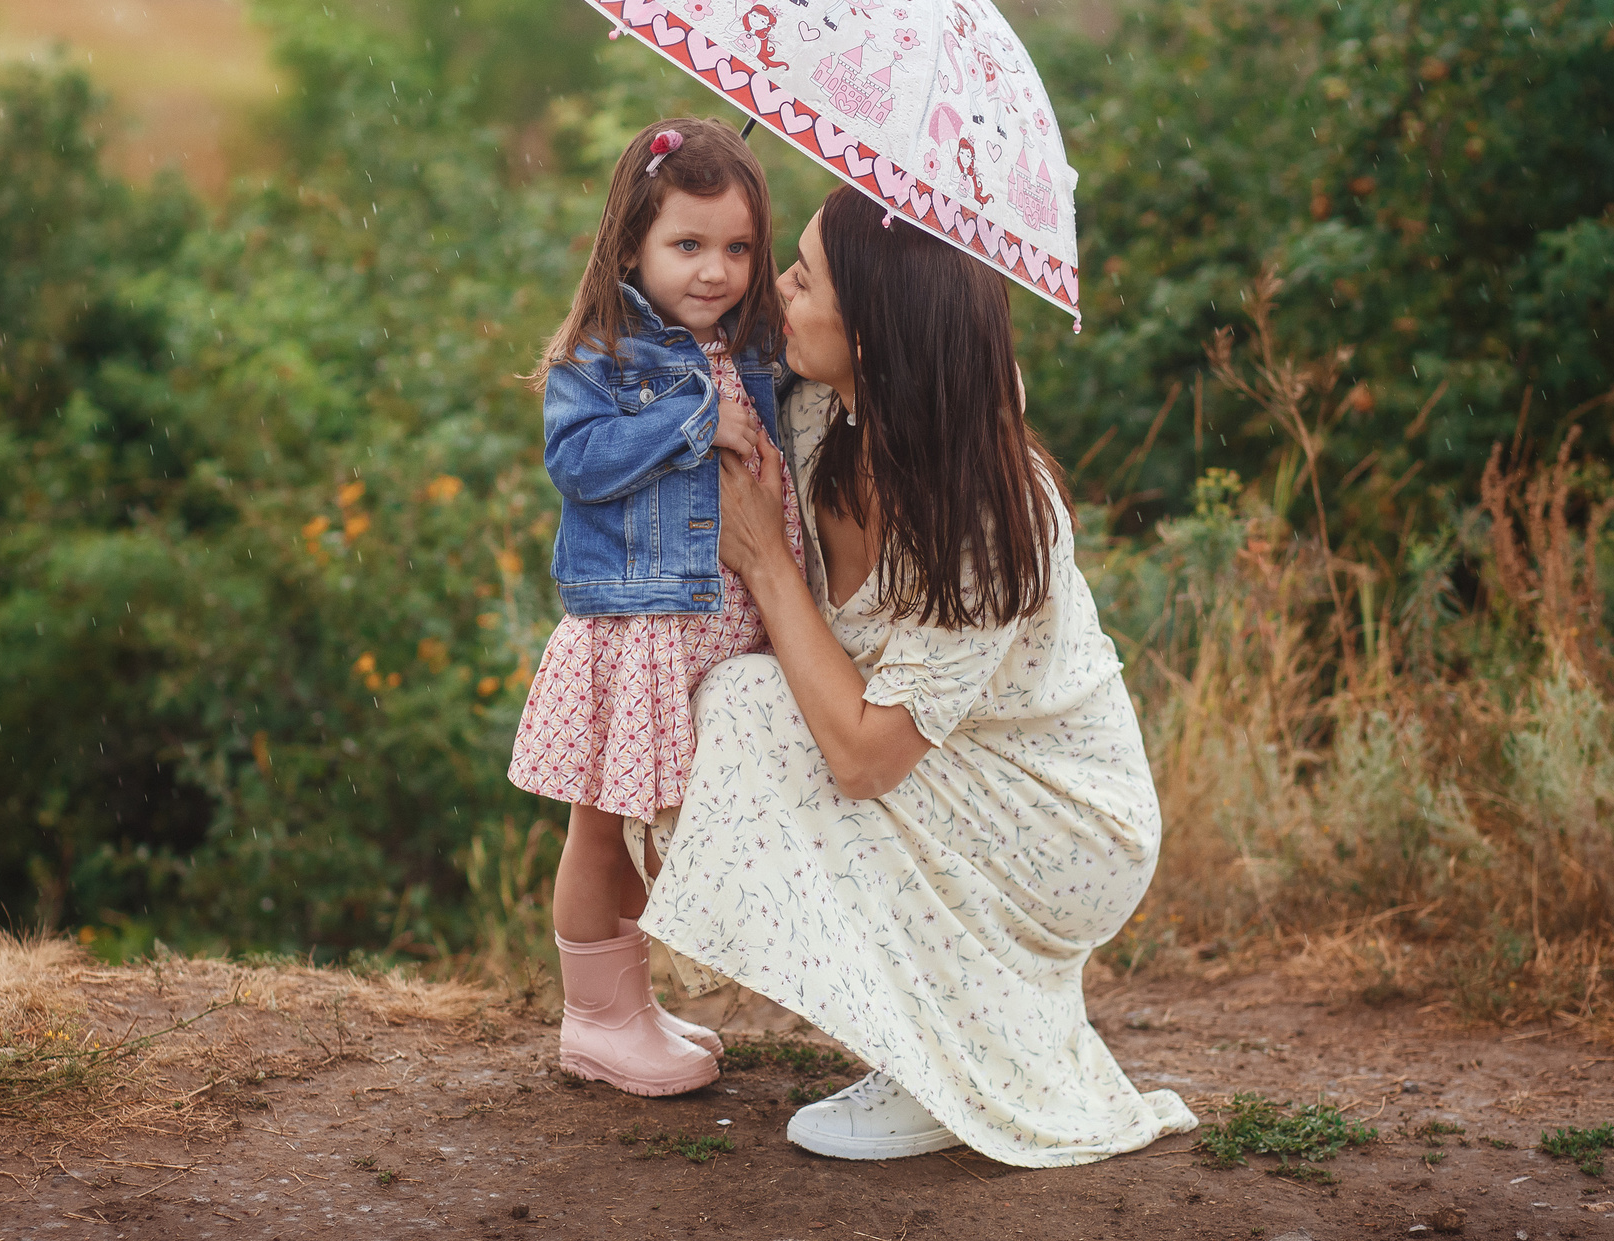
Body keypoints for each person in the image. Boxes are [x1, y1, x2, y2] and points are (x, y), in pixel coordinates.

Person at [639, 185, 1198, 1165]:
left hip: (1062, 819)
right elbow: (683, 340)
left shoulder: (985, 512)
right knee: (715, 701)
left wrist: (769, 561)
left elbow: (862, 759)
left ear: (879, 330)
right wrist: (653, 239)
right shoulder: (822, 416)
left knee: (757, 712)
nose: (777, 288)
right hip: (944, 772)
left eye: (803, 278)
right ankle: (931, 1041)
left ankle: (935, 1075)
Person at [508, 117, 807, 1097]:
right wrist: (688, 421)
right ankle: (596, 1019)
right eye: (687, 245)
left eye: (737, 248)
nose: (715, 270)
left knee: (637, 831)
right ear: (630, 243)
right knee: (600, 828)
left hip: (703, 635)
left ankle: (624, 1002)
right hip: (640, 630)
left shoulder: (737, 342)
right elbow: (577, 464)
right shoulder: (604, 355)